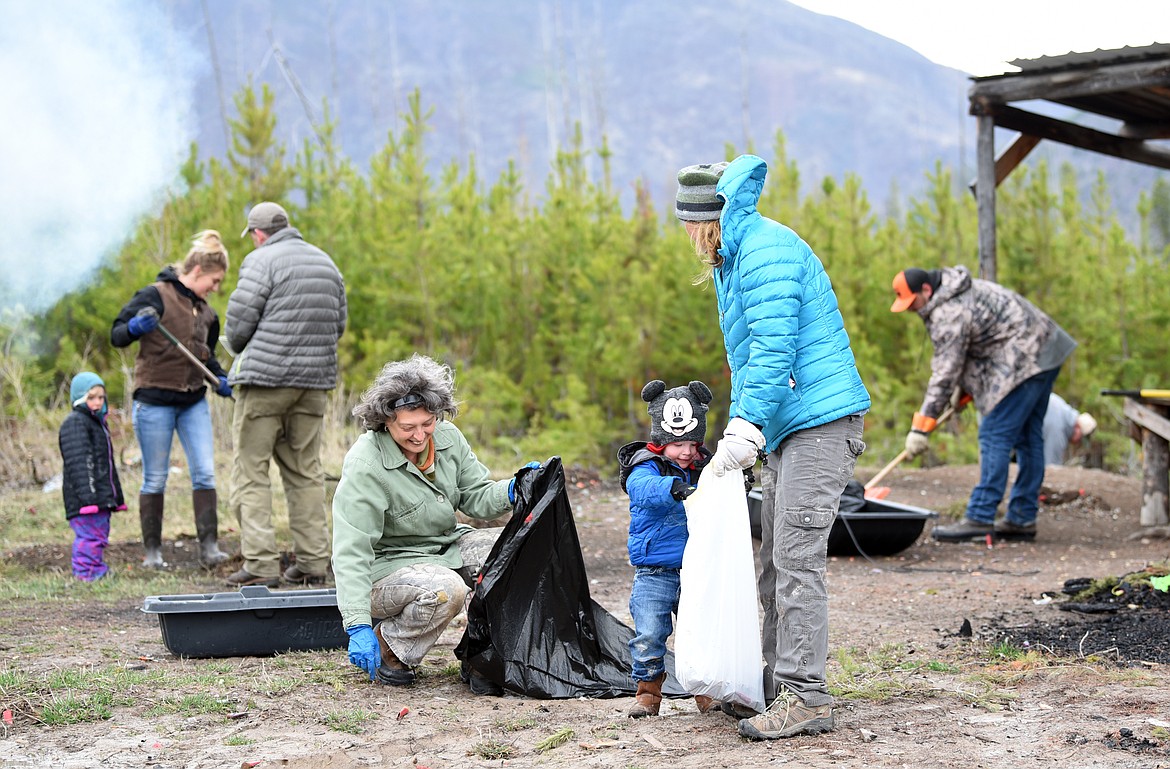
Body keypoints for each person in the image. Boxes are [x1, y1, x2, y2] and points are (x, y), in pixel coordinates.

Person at [676, 156, 870, 740]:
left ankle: (807, 697)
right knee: (771, 561)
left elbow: (772, 352)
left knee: (796, 559)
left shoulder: (766, 250)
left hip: (821, 422)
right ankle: (774, 685)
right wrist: (749, 424)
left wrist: (745, 427)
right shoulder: (732, 258)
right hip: (791, 423)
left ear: (707, 217)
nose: (686, 236)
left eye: (689, 224)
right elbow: (748, 358)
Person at [330, 354, 537, 693]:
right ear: (384, 422)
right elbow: (352, 550)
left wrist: (513, 489)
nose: (419, 435)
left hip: (446, 546)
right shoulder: (365, 463)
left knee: (515, 552)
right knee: (445, 589)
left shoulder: (448, 438)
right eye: (407, 427)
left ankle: (480, 654)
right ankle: (390, 648)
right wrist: (357, 625)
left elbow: (476, 496)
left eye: (427, 423)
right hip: (385, 569)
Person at [891, 266, 1077, 541]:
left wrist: (921, 426)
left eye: (912, 302)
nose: (910, 309)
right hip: (1047, 350)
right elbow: (981, 342)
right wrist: (963, 390)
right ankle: (1021, 518)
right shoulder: (958, 290)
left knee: (994, 434)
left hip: (1025, 359)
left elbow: (945, 370)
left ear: (926, 290)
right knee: (1028, 438)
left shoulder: (948, 311)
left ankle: (980, 516)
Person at [224, 202, 347, 587]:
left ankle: (260, 566)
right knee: (305, 471)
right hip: (313, 386)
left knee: (251, 470)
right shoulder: (327, 263)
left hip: (265, 385)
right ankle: (312, 562)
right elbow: (339, 325)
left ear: (258, 233)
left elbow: (239, 327)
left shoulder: (261, 261)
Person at [111, 230, 235, 569]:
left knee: (205, 474)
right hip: (154, 401)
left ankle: (209, 549)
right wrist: (135, 326)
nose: (216, 287)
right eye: (215, 280)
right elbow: (117, 335)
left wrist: (221, 378)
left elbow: (206, 357)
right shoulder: (155, 296)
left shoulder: (208, 314)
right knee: (155, 477)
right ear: (197, 271)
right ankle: (153, 554)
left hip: (193, 401)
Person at [617, 379, 716, 718]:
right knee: (648, 634)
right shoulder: (646, 466)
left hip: (697, 569)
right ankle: (648, 692)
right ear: (660, 440)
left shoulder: (706, 470)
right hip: (654, 571)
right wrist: (672, 487)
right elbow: (641, 488)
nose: (687, 451)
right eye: (677, 444)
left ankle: (707, 692)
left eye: (693, 443)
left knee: (701, 634)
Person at [58, 372, 126, 581]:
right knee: (89, 536)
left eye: (100, 397)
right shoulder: (76, 423)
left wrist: (116, 497)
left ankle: (95, 568)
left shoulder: (96, 423)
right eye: (91, 397)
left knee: (99, 534)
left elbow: (106, 464)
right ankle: (86, 572)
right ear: (80, 399)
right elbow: (79, 463)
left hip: (100, 496)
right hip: (86, 498)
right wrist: (89, 499)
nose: (97, 402)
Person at [1043, 393, 1097, 466]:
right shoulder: (1058, 431)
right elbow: (1051, 467)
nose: (1078, 442)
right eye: (1080, 438)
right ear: (1078, 427)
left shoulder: (1060, 405)